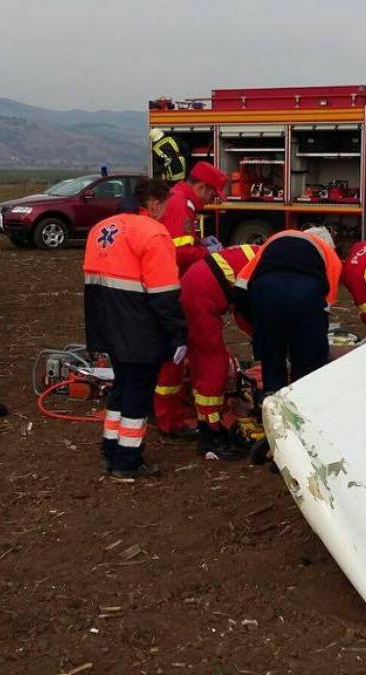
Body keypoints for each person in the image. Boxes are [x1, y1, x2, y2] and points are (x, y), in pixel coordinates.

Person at [83, 178, 186, 478]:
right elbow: (165, 295)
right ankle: (127, 462)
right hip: (139, 329)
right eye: (164, 206)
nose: (165, 213)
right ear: (154, 203)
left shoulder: (101, 229)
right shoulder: (154, 233)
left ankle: (110, 450)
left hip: (106, 327)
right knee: (138, 395)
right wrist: (178, 334)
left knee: (121, 389)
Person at [153, 161, 227, 436]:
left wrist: (199, 245)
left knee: (176, 355)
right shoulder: (181, 205)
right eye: (211, 195)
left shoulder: (179, 201)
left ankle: (168, 413)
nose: (211, 201)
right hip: (171, 288)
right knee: (175, 356)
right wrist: (207, 254)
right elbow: (176, 252)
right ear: (201, 186)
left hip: (169, 286)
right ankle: (169, 421)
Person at [234, 227, 341, 395]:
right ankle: (302, 400)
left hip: (265, 291)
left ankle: (272, 402)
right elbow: (325, 307)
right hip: (306, 293)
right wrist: (316, 345)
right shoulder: (330, 254)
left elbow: (241, 285)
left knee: (272, 358)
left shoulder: (274, 239)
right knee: (306, 360)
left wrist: (257, 324)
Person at [181, 243, 260, 459]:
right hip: (203, 291)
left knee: (203, 360)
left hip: (200, 282)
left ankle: (210, 428)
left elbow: (245, 309)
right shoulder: (273, 268)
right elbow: (251, 309)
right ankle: (210, 438)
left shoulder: (267, 254)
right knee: (213, 363)